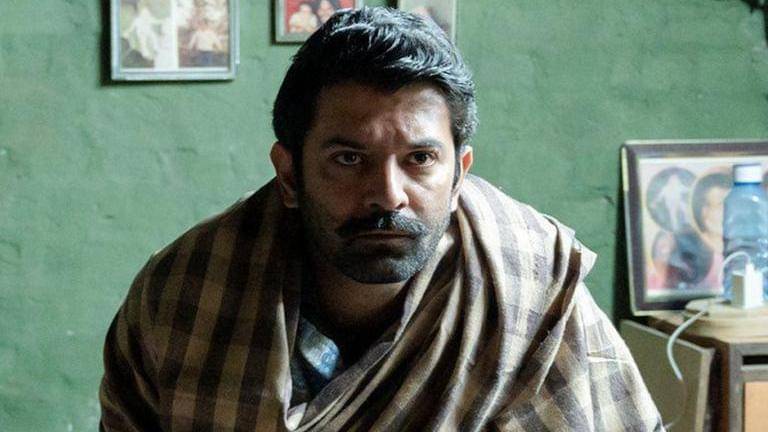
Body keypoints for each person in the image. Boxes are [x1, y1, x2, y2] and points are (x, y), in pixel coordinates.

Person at [99, 7, 662, 431]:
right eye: (349, 159)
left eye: (420, 159)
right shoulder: (183, 294)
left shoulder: (530, 288)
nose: (388, 196)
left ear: (459, 175)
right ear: (289, 174)